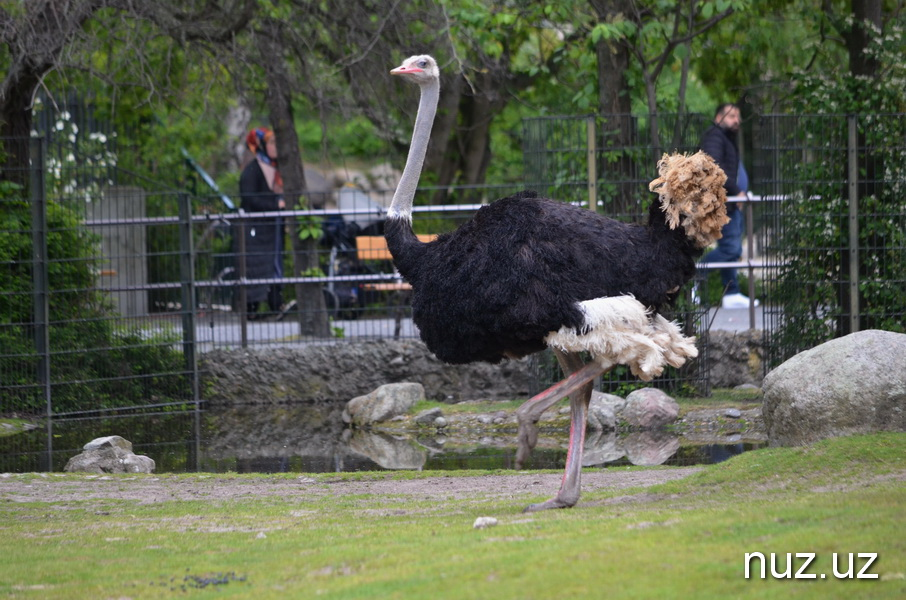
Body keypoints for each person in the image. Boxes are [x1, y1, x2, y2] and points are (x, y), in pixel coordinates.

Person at [700, 103, 759, 310]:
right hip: (723, 204)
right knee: (730, 248)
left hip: (732, 204)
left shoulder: (726, 138)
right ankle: (694, 275)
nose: (737, 120)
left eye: (738, 116)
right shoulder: (715, 136)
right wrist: (737, 191)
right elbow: (715, 167)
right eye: (732, 115)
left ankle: (731, 292)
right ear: (718, 118)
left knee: (732, 249)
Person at [237, 127, 285, 319]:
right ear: (262, 145)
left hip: (273, 227)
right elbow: (249, 198)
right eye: (272, 143)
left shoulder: (277, 169)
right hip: (255, 229)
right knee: (254, 266)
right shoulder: (252, 170)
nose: (276, 147)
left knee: (274, 265)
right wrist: (276, 204)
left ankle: (276, 305)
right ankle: (251, 309)